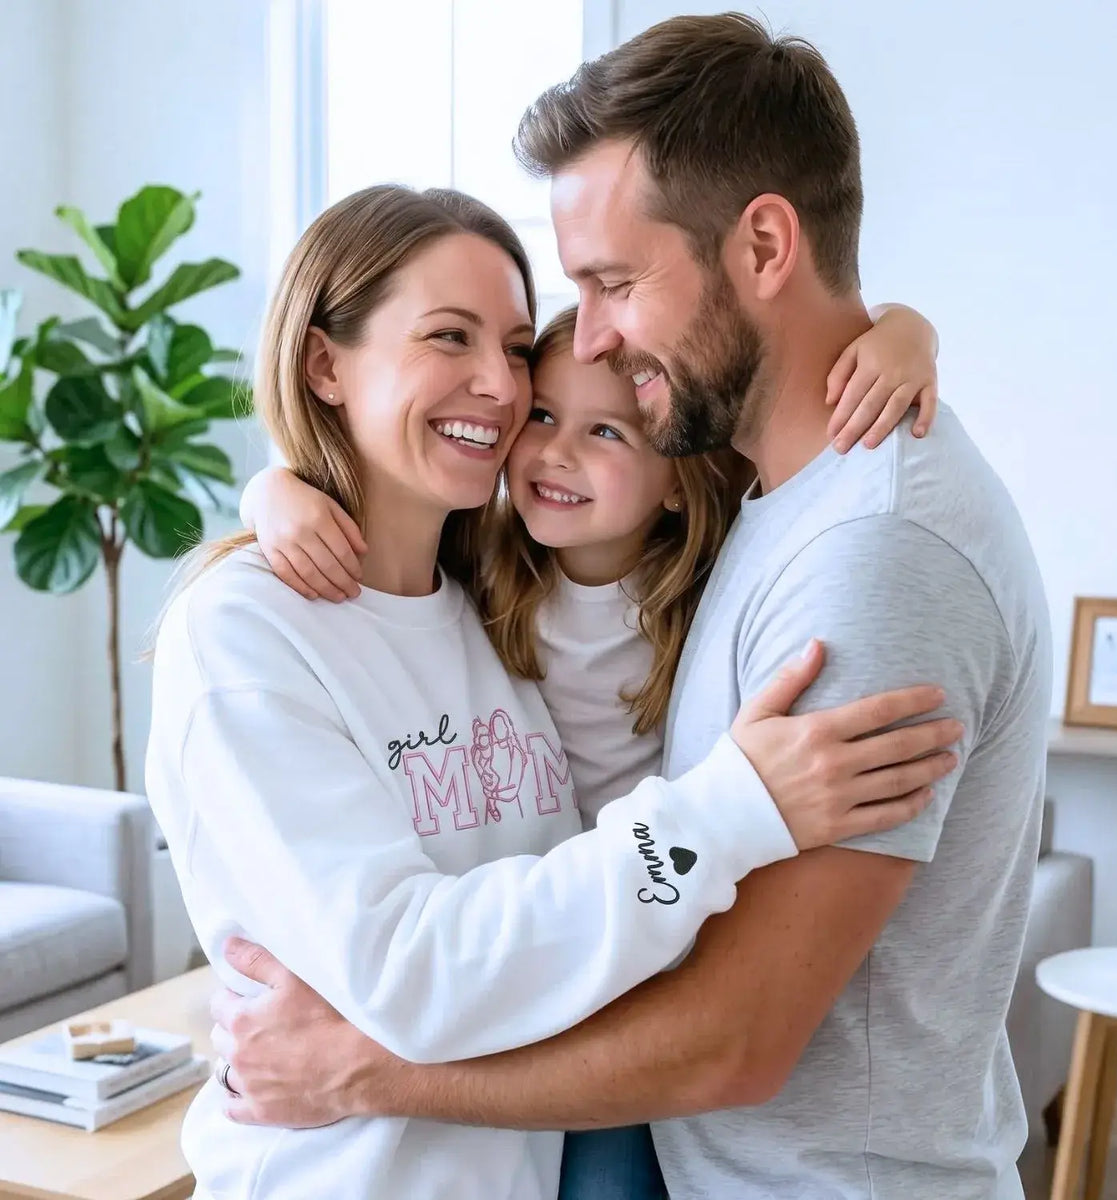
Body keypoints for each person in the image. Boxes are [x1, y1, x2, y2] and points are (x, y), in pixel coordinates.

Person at [212, 14, 1053, 1200]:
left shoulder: (874, 553)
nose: (587, 340)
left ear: (765, 243)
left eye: (613, 281)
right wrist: (278, 485)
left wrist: (367, 1074)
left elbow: (735, 1039)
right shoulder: (761, 503)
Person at [237, 298, 942, 1200]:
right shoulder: (483, 560)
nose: (555, 453)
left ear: (678, 478)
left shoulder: (710, 591)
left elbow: (824, 356)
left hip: (648, 976)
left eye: (606, 431)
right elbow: (368, 515)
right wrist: (272, 493)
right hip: (536, 951)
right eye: (540, 416)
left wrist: (909, 332)